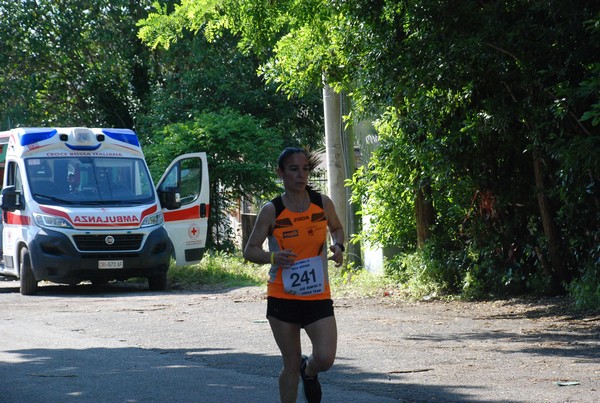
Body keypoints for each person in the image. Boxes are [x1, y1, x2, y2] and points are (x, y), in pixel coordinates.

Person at [244, 147, 345, 403]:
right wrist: (273, 257)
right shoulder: (272, 210)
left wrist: (338, 246)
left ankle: (309, 370)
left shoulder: (322, 203)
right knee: (290, 363)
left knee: (325, 358)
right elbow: (250, 250)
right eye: (294, 169)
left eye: (306, 169)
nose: (301, 175)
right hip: (282, 295)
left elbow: (337, 229)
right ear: (281, 173)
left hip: (317, 294)